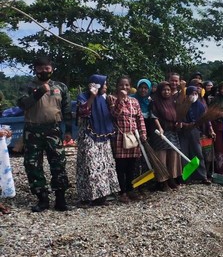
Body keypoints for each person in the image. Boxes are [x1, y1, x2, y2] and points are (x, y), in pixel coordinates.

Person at [17, 55, 73, 212]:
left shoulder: (60, 87)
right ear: (35, 70)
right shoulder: (27, 86)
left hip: (53, 130)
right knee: (33, 165)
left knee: (58, 164)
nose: (44, 71)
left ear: (52, 69)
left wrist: (68, 130)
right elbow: (22, 104)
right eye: (40, 69)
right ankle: (42, 199)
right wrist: (39, 92)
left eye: (47, 68)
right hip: (32, 130)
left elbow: (67, 110)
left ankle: (60, 199)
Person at [75, 74, 120, 206]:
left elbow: (111, 115)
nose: (106, 86)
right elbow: (83, 112)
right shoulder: (83, 97)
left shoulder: (104, 99)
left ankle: (102, 196)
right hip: (89, 137)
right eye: (104, 84)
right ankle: (87, 196)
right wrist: (92, 97)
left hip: (103, 137)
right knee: (90, 166)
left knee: (104, 166)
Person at [108, 76, 147, 202]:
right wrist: (121, 100)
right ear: (117, 86)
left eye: (126, 85)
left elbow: (139, 118)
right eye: (121, 85)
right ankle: (122, 191)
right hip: (120, 137)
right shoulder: (112, 99)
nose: (124, 88)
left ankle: (131, 189)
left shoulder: (134, 101)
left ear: (130, 87)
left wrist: (143, 133)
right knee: (120, 165)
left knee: (132, 165)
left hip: (133, 137)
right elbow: (115, 114)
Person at [150, 81, 181, 190]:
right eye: (164, 90)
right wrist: (160, 128)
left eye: (168, 90)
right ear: (159, 91)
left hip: (172, 131)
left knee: (173, 156)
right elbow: (154, 116)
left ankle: (172, 179)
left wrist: (178, 122)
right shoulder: (155, 101)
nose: (166, 92)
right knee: (161, 157)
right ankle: (162, 182)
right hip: (160, 133)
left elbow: (177, 113)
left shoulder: (172, 101)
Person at [179, 85, 212, 184]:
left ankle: (202, 176)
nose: (193, 96)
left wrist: (209, 130)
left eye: (195, 94)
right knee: (184, 154)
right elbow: (178, 120)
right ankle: (186, 177)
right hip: (183, 132)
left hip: (195, 131)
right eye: (191, 94)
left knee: (198, 153)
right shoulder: (182, 105)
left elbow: (204, 120)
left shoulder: (200, 106)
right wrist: (185, 124)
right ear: (187, 95)